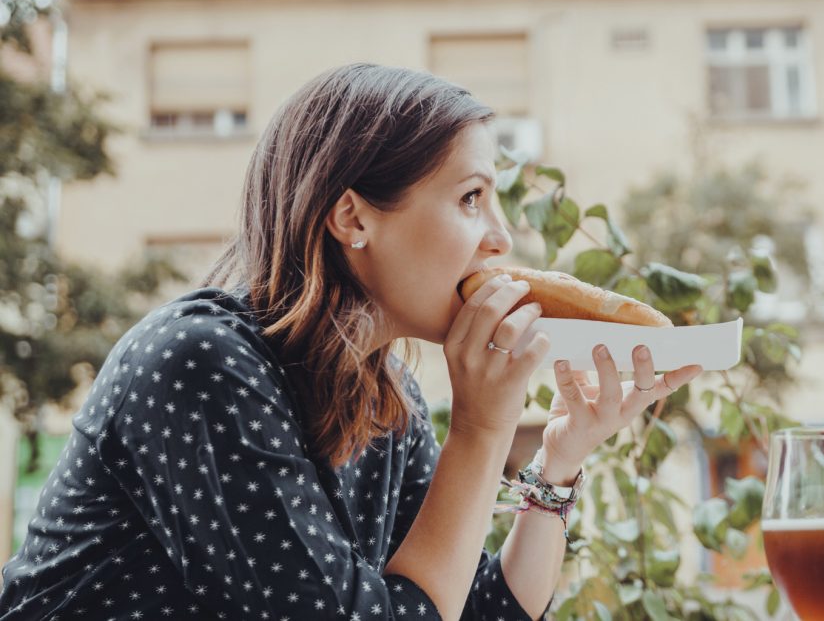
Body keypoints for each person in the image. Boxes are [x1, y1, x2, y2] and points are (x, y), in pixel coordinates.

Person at [0, 63, 702, 620]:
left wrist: (558, 462)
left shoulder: (383, 394)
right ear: (352, 218)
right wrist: (482, 429)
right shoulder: (197, 363)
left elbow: (476, 607)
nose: (502, 238)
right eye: (470, 198)